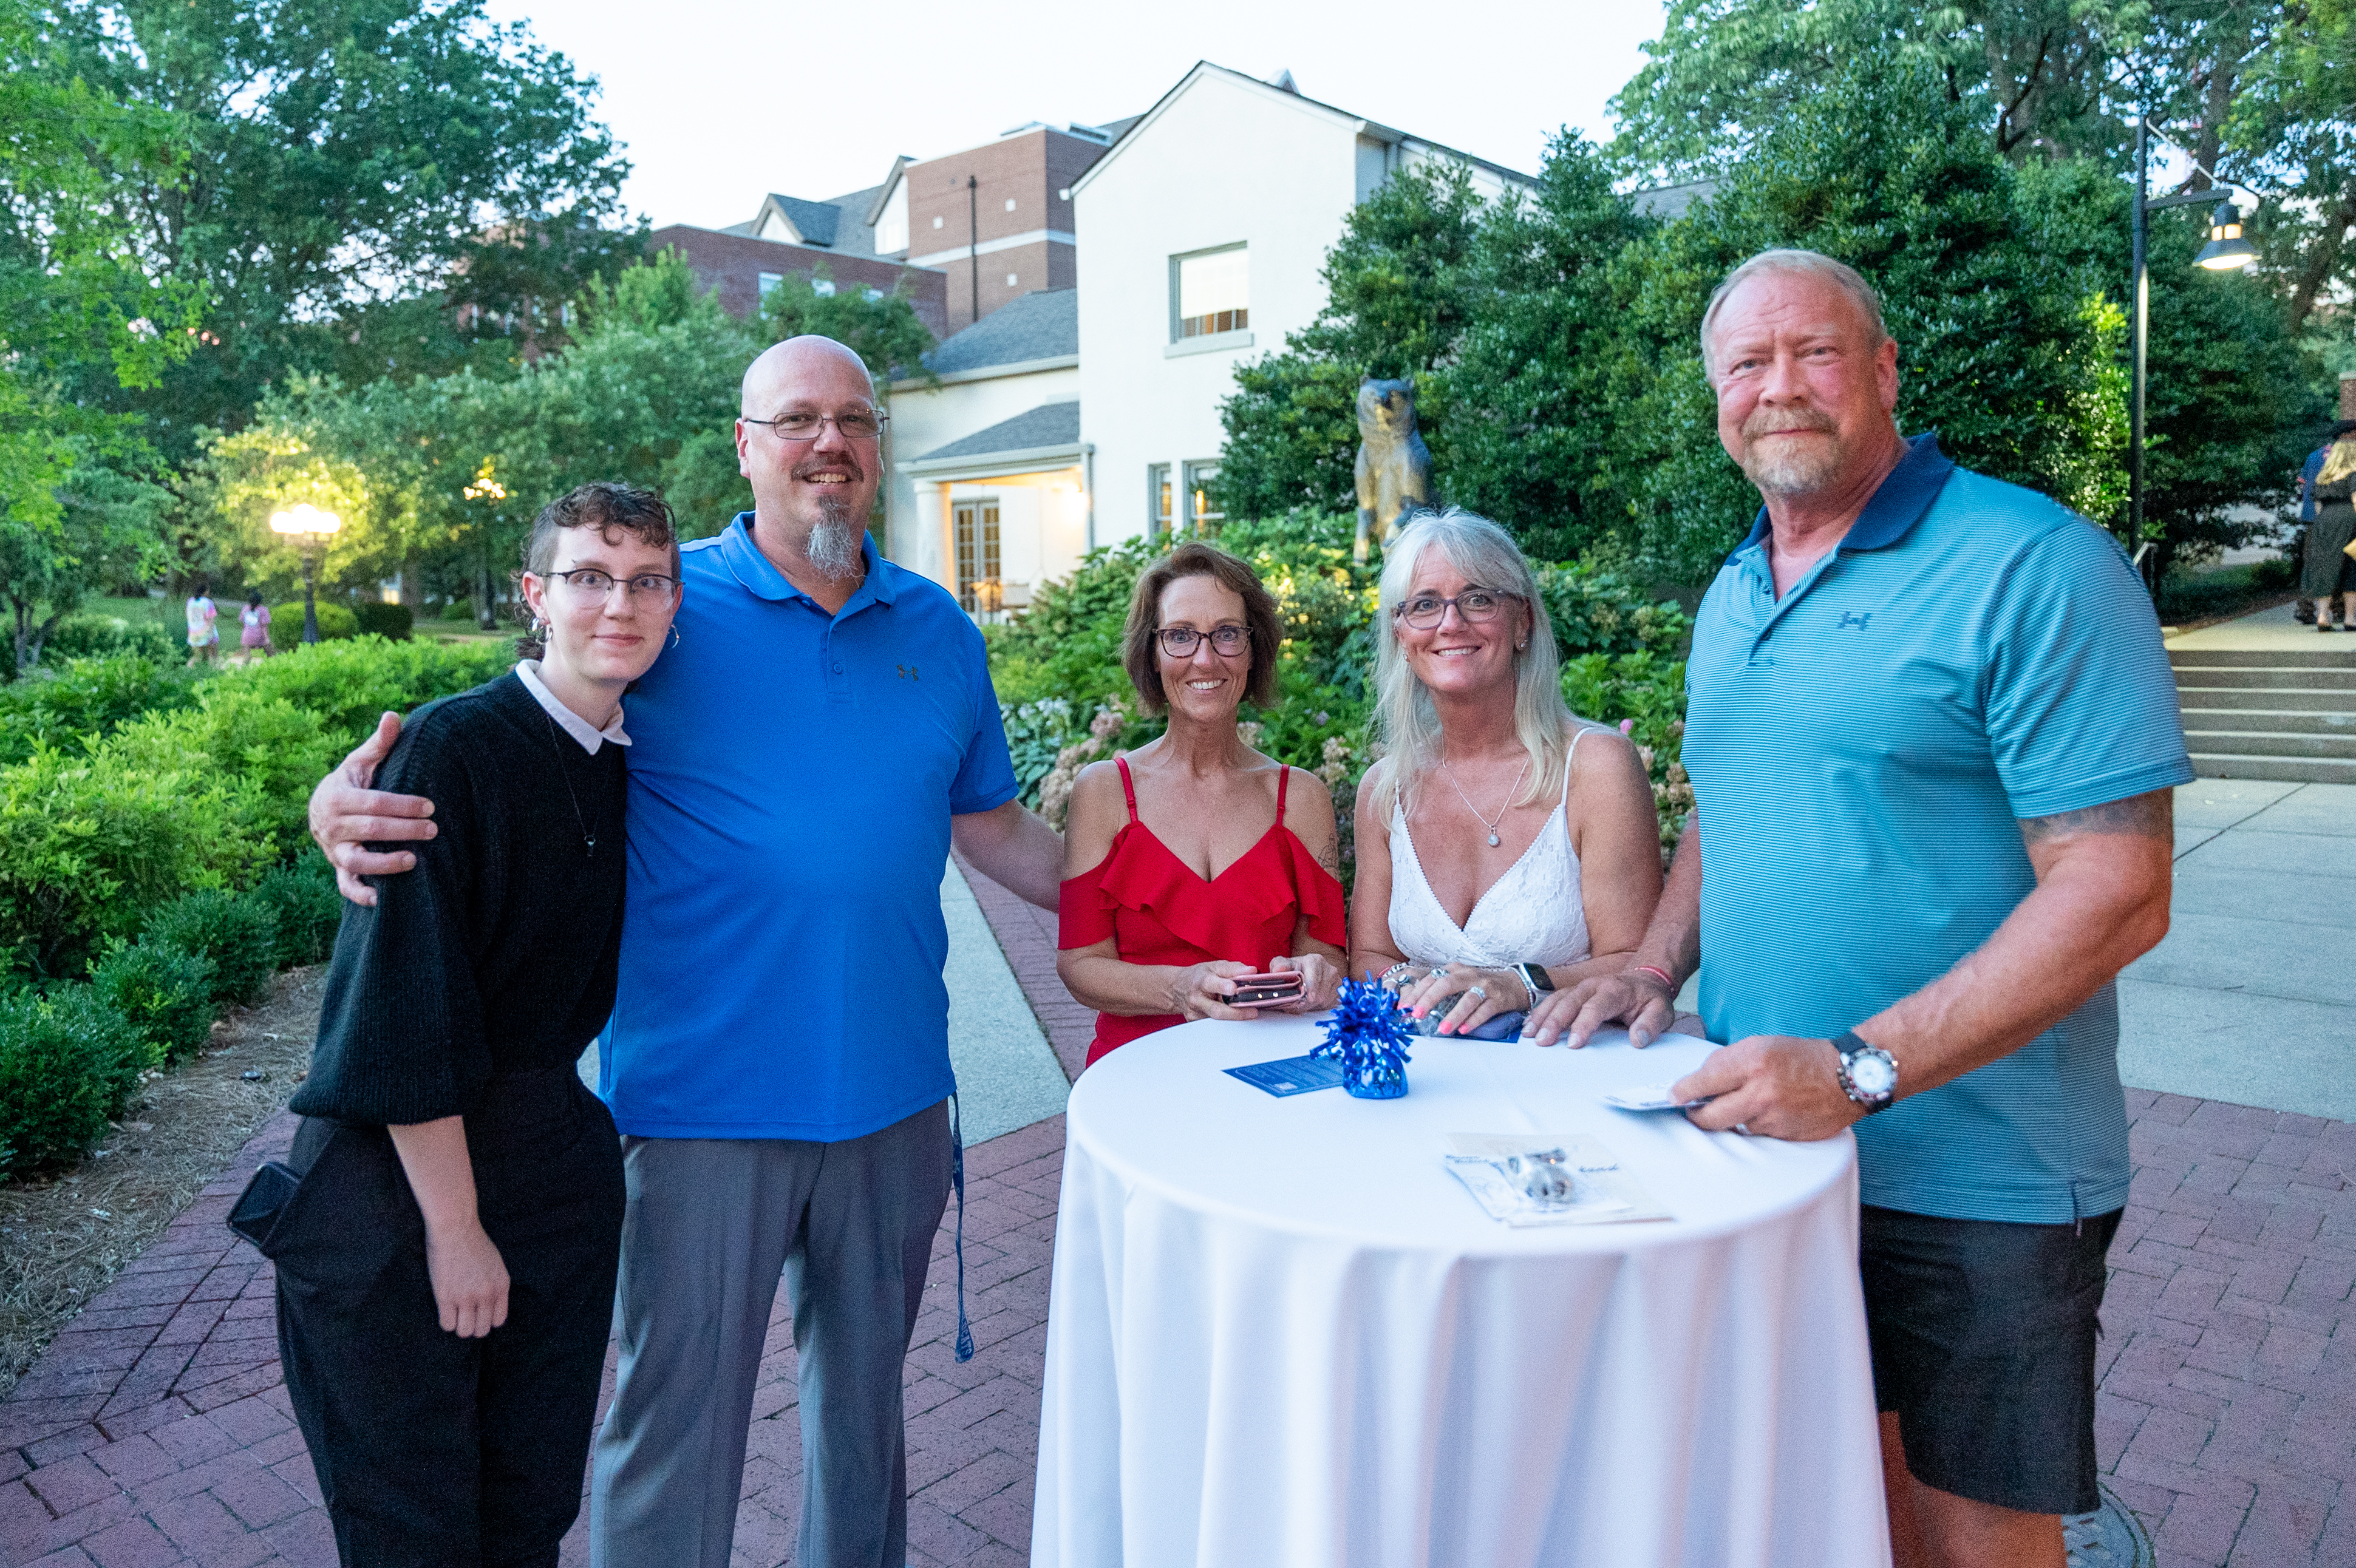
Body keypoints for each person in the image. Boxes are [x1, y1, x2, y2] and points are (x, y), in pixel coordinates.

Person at [305, 335, 1064, 1568]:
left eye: (854, 421)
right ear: (745, 445)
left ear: (877, 445)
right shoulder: (664, 607)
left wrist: (1154, 903)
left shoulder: (939, 627)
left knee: (866, 1420)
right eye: (798, 419)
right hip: (705, 1103)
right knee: (674, 1420)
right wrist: (333, 803)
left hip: (896, 1099)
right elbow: (511, 723)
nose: (831, 443)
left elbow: (991, 827)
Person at [1531, 249, 2187, 1568]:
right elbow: (1734, 793)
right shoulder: (1734, 591)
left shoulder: (2033, 564)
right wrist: (1653, 963)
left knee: (1971, 1534)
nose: (1778, 387)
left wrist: (1857, 1066)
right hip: (1764, 1149)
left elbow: (2117, 891)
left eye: (1812, 352)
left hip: (1976, 1174)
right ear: (1716, 397)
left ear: (1884, 370)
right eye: (1745, 364)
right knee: (1843, 1503)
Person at [268, 481, 683, 1564]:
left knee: (527, 1511)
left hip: (550, 1169)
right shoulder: (449, 754)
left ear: (676, 603)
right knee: (417, 1533)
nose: (618, 604)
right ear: (536, 593)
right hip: (397, 1203)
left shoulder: (633, 759)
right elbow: (405, 1019)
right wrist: (457, 1235)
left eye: (646, 580)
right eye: (589, 577)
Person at [1346, 507, 1665, 1039]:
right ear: (1401, 635)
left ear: (1523, 622)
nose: (1451, 622)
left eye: (1477, 599)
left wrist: (1521, 984)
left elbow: (1638, 963)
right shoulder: (1385, 789)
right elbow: (1370, 955)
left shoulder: (1596, 767)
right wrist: (1407, 983)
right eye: (1425, 605)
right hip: (1420, 1085)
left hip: (1570, 1073)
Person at [1057, 542, 1347, 1064]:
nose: (1205, 658)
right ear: (1152, 651)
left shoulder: (1301, 798)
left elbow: (1326, 953)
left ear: (1255, 650)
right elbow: (1080, 964)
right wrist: (1179, 987)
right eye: (1181, 636)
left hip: (1273, 1071)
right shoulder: (1103, 793)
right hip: (1138, 1072)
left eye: (1228, 634)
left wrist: (1319, 974)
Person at [2305, 430, 2356, 632]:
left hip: (2325, 521)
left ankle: (2323, 617)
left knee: (2325, 568)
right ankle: (2350, 619)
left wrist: (2323, 524)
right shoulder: (2353, 474)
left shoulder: (2323, 478)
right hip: (2349, 520)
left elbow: (2317, 504)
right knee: (2352, 569)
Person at [185, 579, 219, 666]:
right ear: (206, 591)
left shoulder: (190, 602)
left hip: (194, 632)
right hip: (206, 632)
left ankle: (188, 670)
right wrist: (211, 633)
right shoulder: (208, 603)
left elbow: (187, 615)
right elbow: (211, 619)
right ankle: (212, 673)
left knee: (197, 657)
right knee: (213, 655)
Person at [240, 591, 274, 658]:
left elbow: (243, 623)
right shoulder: (263, 610)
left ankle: (245, 667)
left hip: (246, 636)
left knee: (247, 656)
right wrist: (267, 638)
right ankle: (272, 663)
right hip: (259, 636)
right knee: (270, 653)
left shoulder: (245, 609)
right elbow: (264, 626)